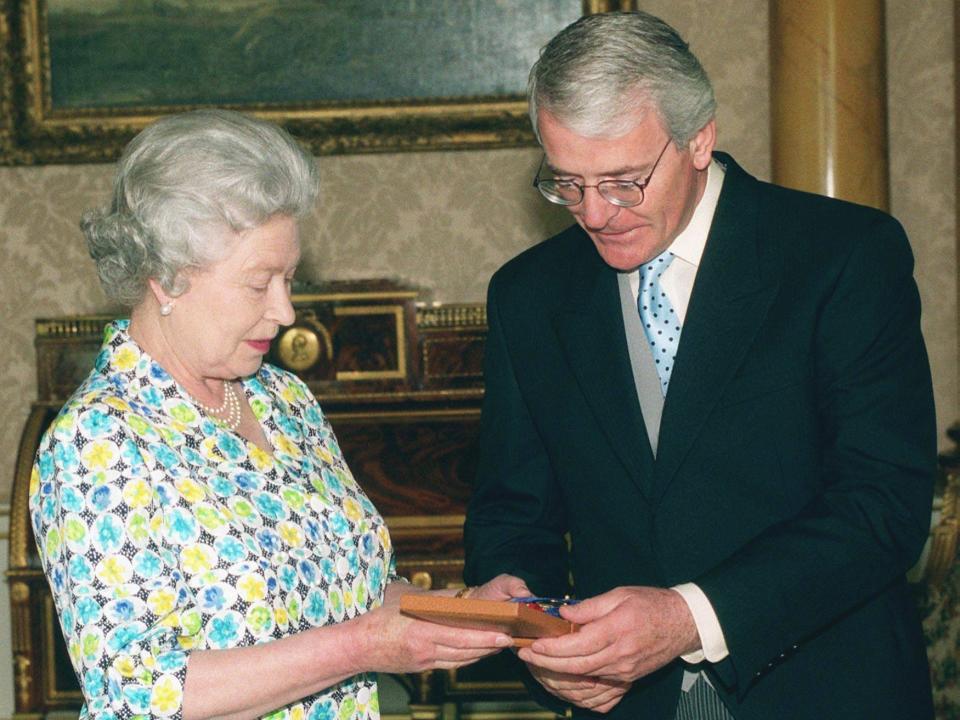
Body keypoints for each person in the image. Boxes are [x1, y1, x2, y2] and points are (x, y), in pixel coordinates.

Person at [463, 11, 936, 720]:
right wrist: (532, 632)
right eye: (567, 183)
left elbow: (882, 507)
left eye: (624, 181)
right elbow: (512, 513)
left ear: (699, 138)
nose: (595, 213)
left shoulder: (841, 257)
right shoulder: (529, 296)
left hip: (825, 690)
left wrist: (691, 617)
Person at [29, 109, 529, 720]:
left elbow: (363, 599)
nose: (286, 311)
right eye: (258, 282)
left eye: (288, 278)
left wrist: (466, 612)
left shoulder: (283, 401)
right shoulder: (95, 442)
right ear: (164, 279)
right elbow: (141, 698)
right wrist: (362, 647)